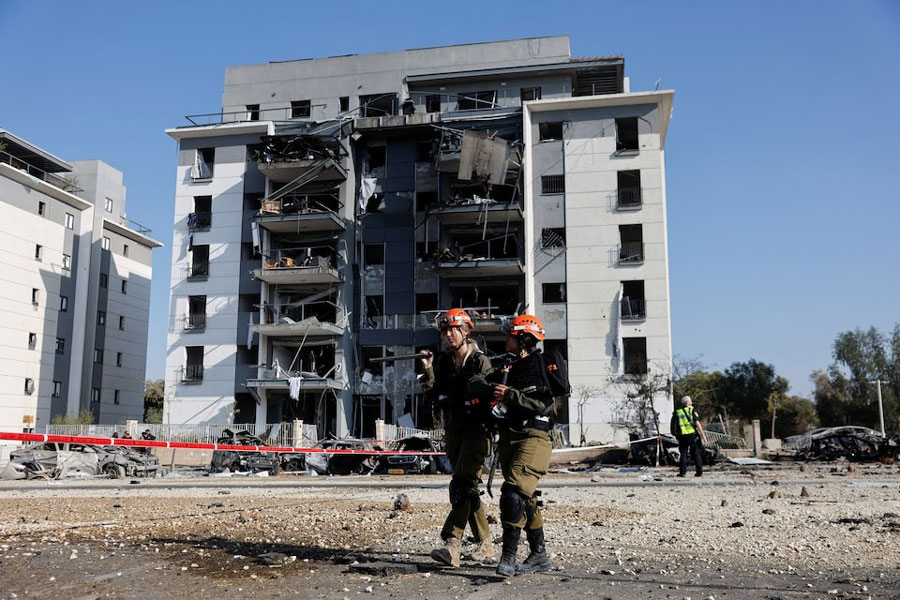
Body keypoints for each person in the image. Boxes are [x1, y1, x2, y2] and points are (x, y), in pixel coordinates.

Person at [469, 314, 570, 578]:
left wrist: (510, 395)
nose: (505, 340)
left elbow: (546, 406)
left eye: (510, 335)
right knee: (525, 498)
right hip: (510, 437)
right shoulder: (507, 367)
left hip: (535, 436)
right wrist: (490, 387)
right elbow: (476, 382)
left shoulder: (541, 365)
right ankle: (539, 555)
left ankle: (508, 558)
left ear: (524, 338)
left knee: (512, 493)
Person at [419, 308, 495, 567]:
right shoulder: (443, 362)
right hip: (454, 431)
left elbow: (490, 395)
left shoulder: (479, 360)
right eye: (445, 331)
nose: (449, 334)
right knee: (466, 489)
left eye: (453, 329)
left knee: (461, 486)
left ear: (466, 331)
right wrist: (428, 370)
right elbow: (433, 396)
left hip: (477, 431)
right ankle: (486, 544)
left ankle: (452, 544)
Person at [671, 396, 706, 477]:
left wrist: (674, 434)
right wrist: (702, 434)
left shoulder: (677, 412)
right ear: (687, 403)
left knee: (683, 454)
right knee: (696, 453)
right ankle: (699, 471)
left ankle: (682, 472)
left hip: (682, 436)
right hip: (693, 435)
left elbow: (673, 424)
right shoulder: (691, 410)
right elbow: (697, 423)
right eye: (690, 401)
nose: (692, 402)